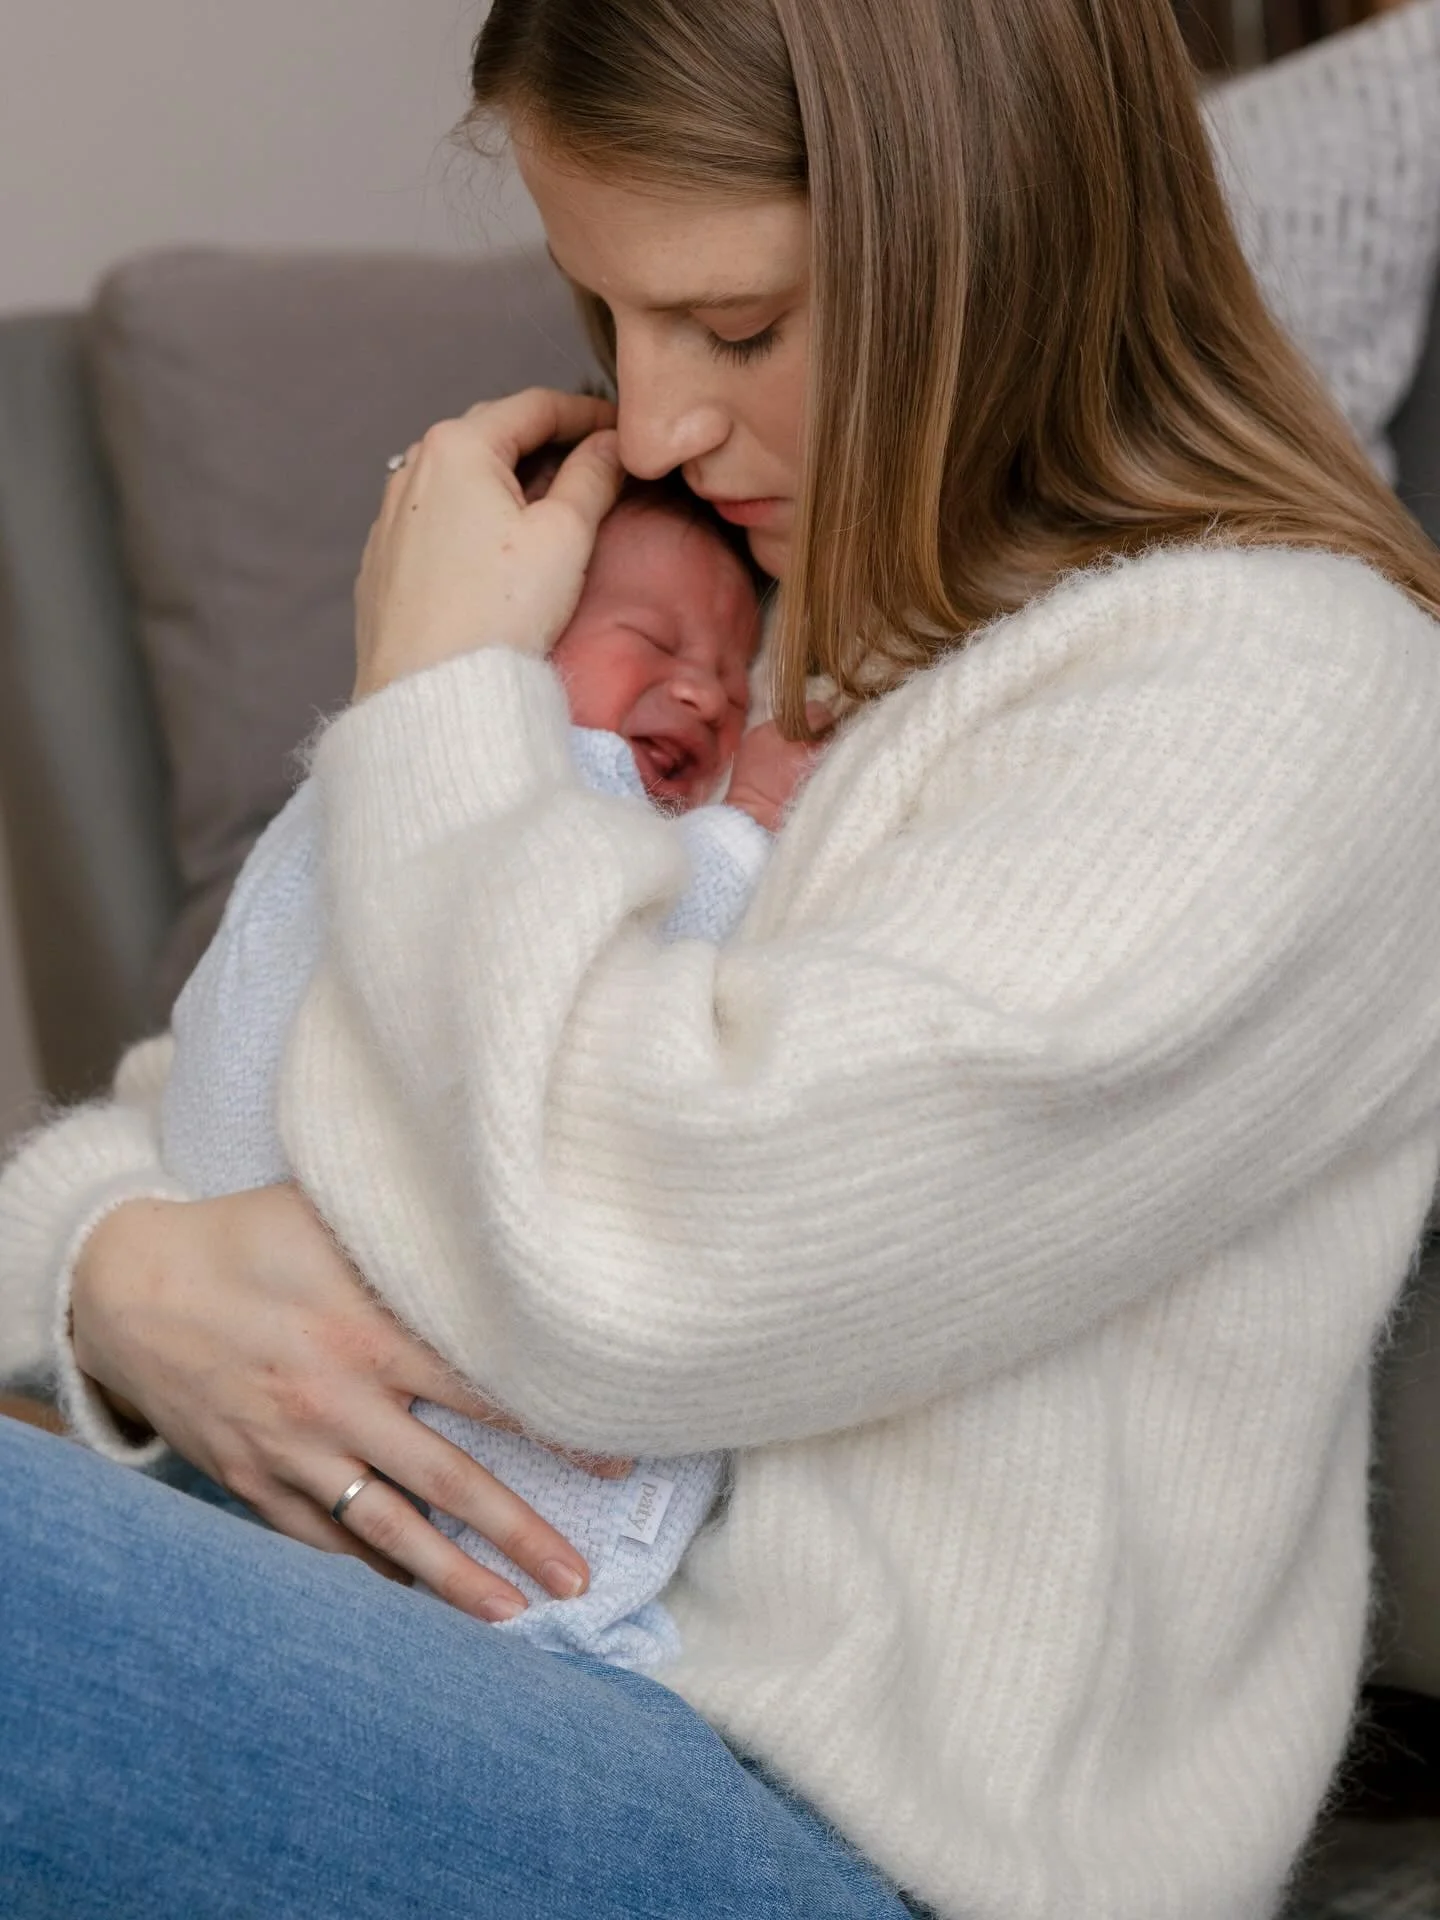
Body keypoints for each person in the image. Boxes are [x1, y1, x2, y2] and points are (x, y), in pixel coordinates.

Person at [4, 1, 1440, 1915]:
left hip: (842, 1837)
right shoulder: (737, 623)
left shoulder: (1289, 693)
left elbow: (635, 1278)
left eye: (738, 327)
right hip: (479, 1673)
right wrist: (118, 1278)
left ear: (997, 237)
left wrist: (436, 699)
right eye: (612, 319)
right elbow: (219, 1099)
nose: (657, 421)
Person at [159, 463, 827, 1670]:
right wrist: (742, 835)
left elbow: (620, 1060)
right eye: (652, 641)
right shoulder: (490, 789)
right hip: (259, 1399)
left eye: (736, 679)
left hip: (415, 1557)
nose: (705, 692)